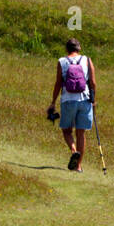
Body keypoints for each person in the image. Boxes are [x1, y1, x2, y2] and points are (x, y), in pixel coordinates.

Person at [48, 38, 97, 172]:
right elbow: (92, 82)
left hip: (68, 100)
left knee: (67, 130)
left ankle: (73, 150)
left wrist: (53, 102)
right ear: (79, 48)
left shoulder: (62, 61)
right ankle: (78, 166)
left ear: (67, 49)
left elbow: (58, 83)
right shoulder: (87, 60)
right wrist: (93, 100)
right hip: (85, 99)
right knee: (81, 133)